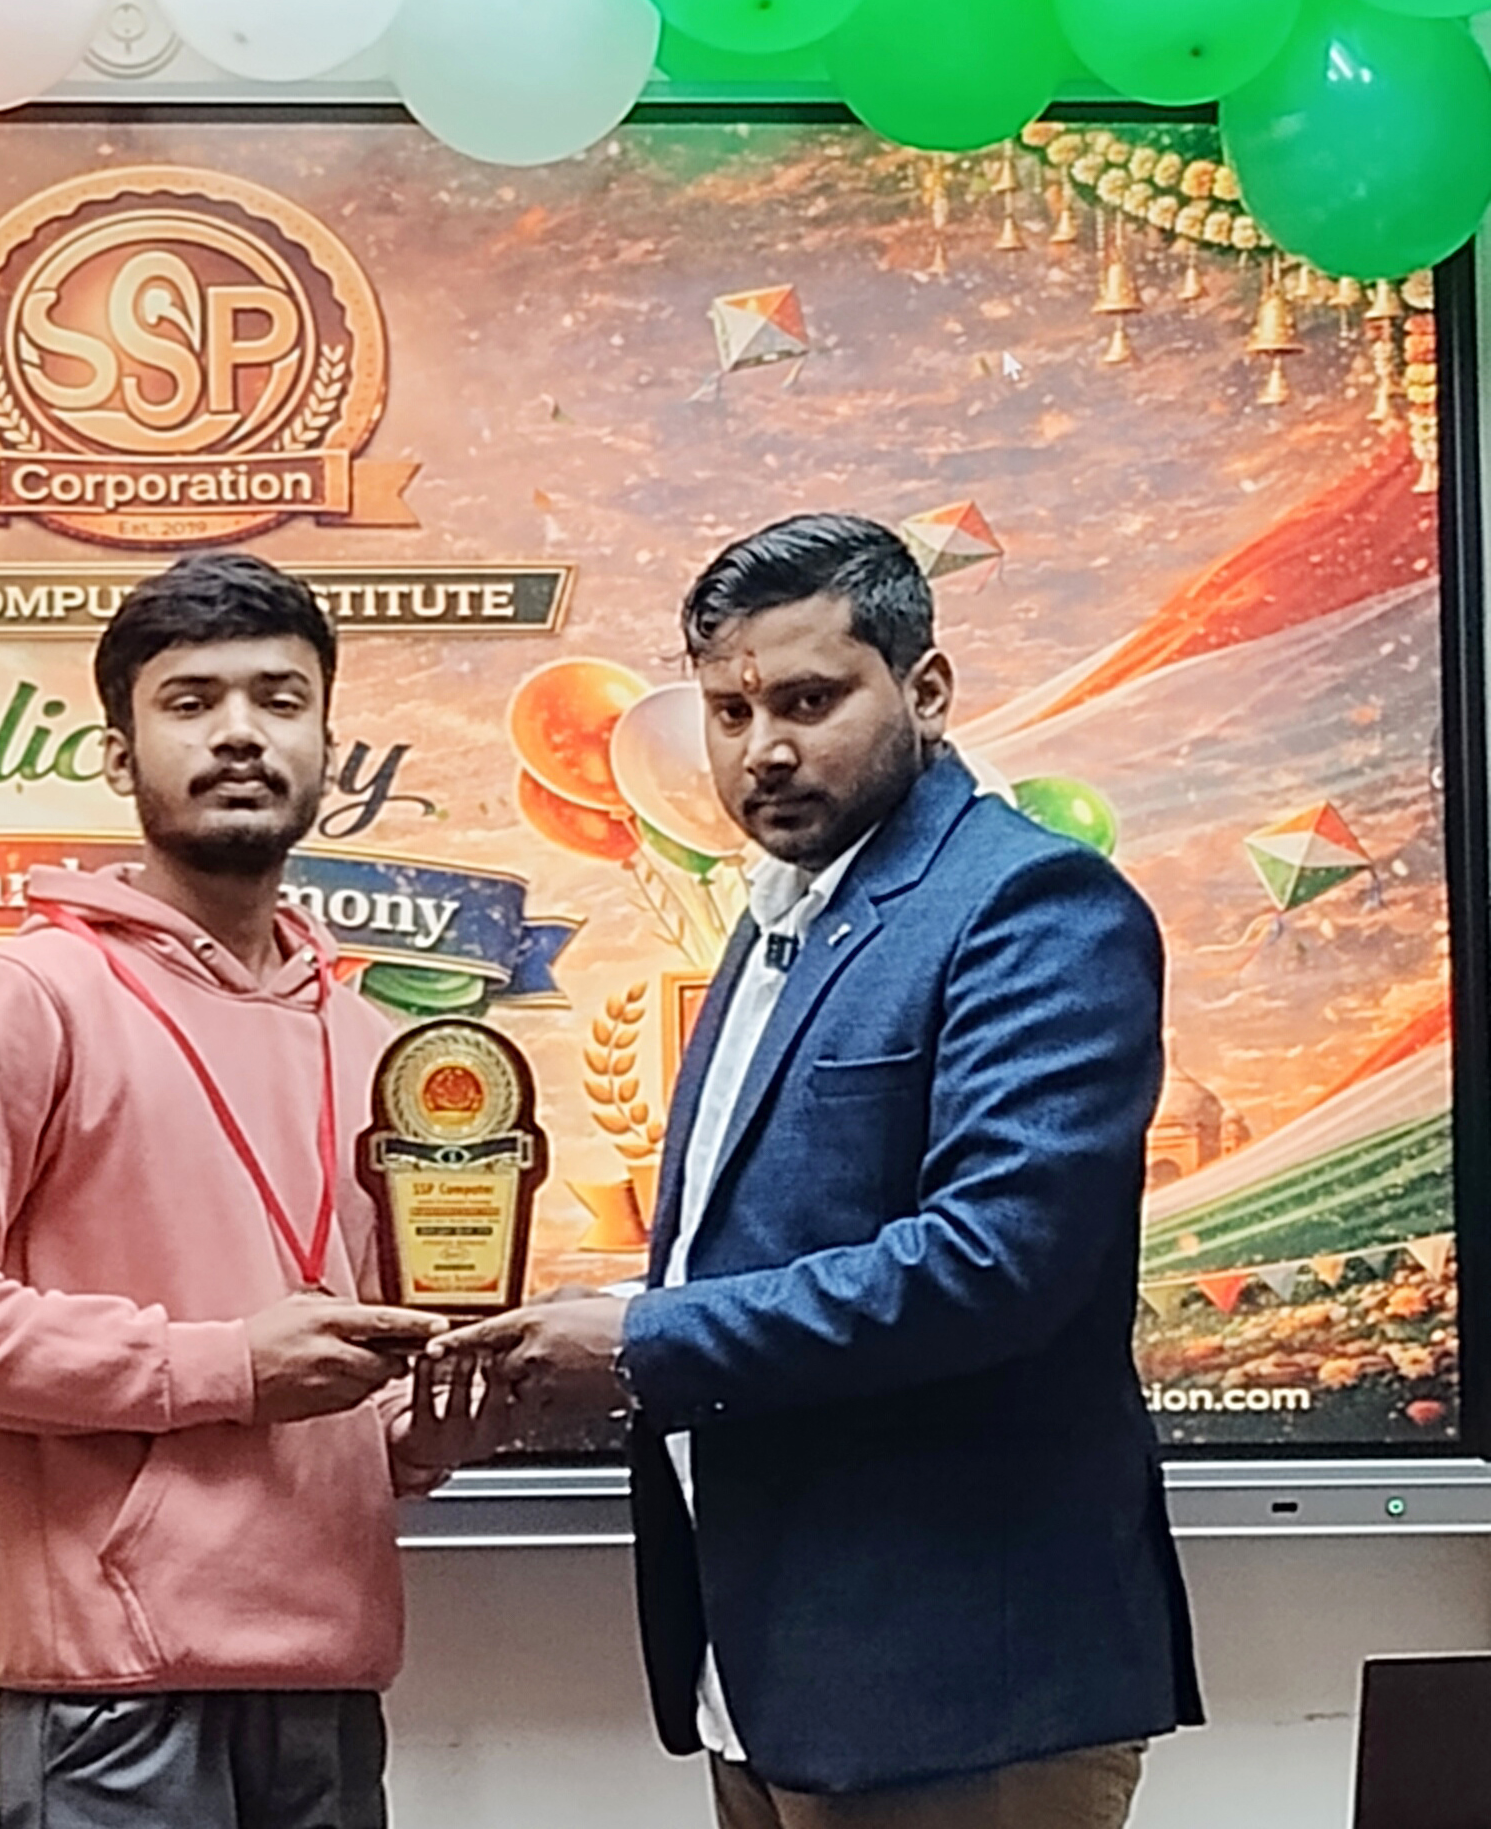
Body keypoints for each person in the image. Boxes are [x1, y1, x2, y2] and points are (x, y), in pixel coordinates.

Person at [438, 513, 1203, 1828]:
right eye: (729, 711)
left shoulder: (1029, 905)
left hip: (959, 1691)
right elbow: (762, 1242)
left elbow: (993, 1264)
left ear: (926, 689)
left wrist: (640, 1341)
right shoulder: (786, 910)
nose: (764, 749)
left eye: (808, 700)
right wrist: (592, 1329)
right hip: (779, 1677)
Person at [0, 552, 501, 1829]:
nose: (241, 733)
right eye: (191, 702)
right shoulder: (27, 995)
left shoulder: (371, 1040)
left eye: (280, 698)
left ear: (328, 745)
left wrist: (426, 1429)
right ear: (118, 751)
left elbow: (340, 1389)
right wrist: (228, 1364)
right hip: (115, 1693)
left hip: (331, 1679)